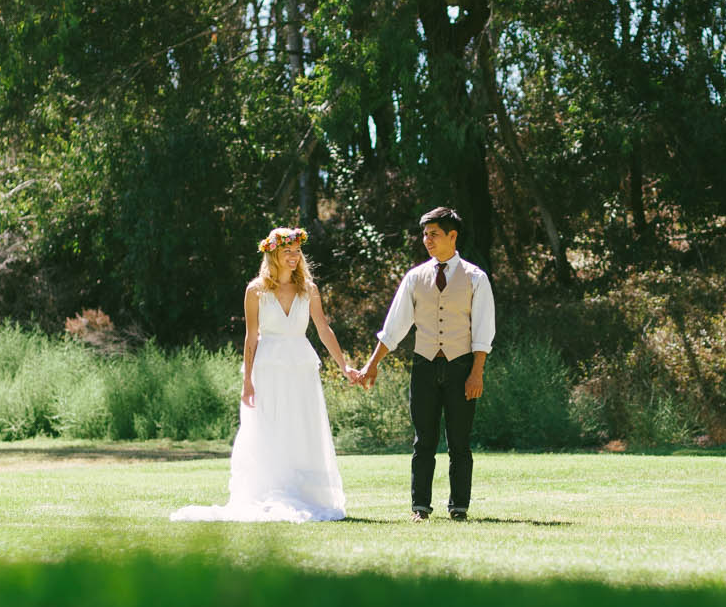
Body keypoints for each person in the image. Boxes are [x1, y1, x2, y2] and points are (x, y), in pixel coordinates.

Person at [172, 226, 351, 523]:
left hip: (300, 366)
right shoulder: (255, 291)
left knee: (302, 425)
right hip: (267, 368)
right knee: (268, 427)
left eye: (297, 252)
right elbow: (251, 338)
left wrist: (344, 366)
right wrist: (247, 382)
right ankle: (269, 487)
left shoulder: (309, 289)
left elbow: (323, 328)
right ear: (273, 253)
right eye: (287, 252)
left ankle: (305, 492)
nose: (293, 257)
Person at [349, 206, 496, 521]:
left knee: (459, 441)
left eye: (434, 234)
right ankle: (420, 508)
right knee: (423, 440)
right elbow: (395, 326)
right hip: (425, 366)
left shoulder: (476, 278)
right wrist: (372, 364)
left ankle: (459, 507)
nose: (427, 240)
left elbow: (483, 330)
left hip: (461, 366)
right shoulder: (415, 277)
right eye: (425, 234)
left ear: (452, 236)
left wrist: (476, 372)